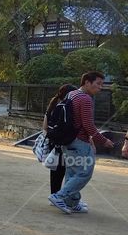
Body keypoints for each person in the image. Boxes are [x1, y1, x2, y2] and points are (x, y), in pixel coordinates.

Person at [49, 71, 115, 214]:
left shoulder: (72, 94)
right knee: (84, 173)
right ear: (87, 82)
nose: (100, 87)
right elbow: (88, 124)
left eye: (102, 84)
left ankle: (71, 202)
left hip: (68, 140)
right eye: (98, 84)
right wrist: (103, 140)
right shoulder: (85, 99)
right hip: (80, 142)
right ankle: (59, 196)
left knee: (72, 172)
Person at [43, 83, 77, 195]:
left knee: (55, 173)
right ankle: (63, 196)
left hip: (53, 144)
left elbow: (45, 127)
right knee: (67, 172)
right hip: (63, 144)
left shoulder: (53, 106)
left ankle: (54, 195)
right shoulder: (65, 108)